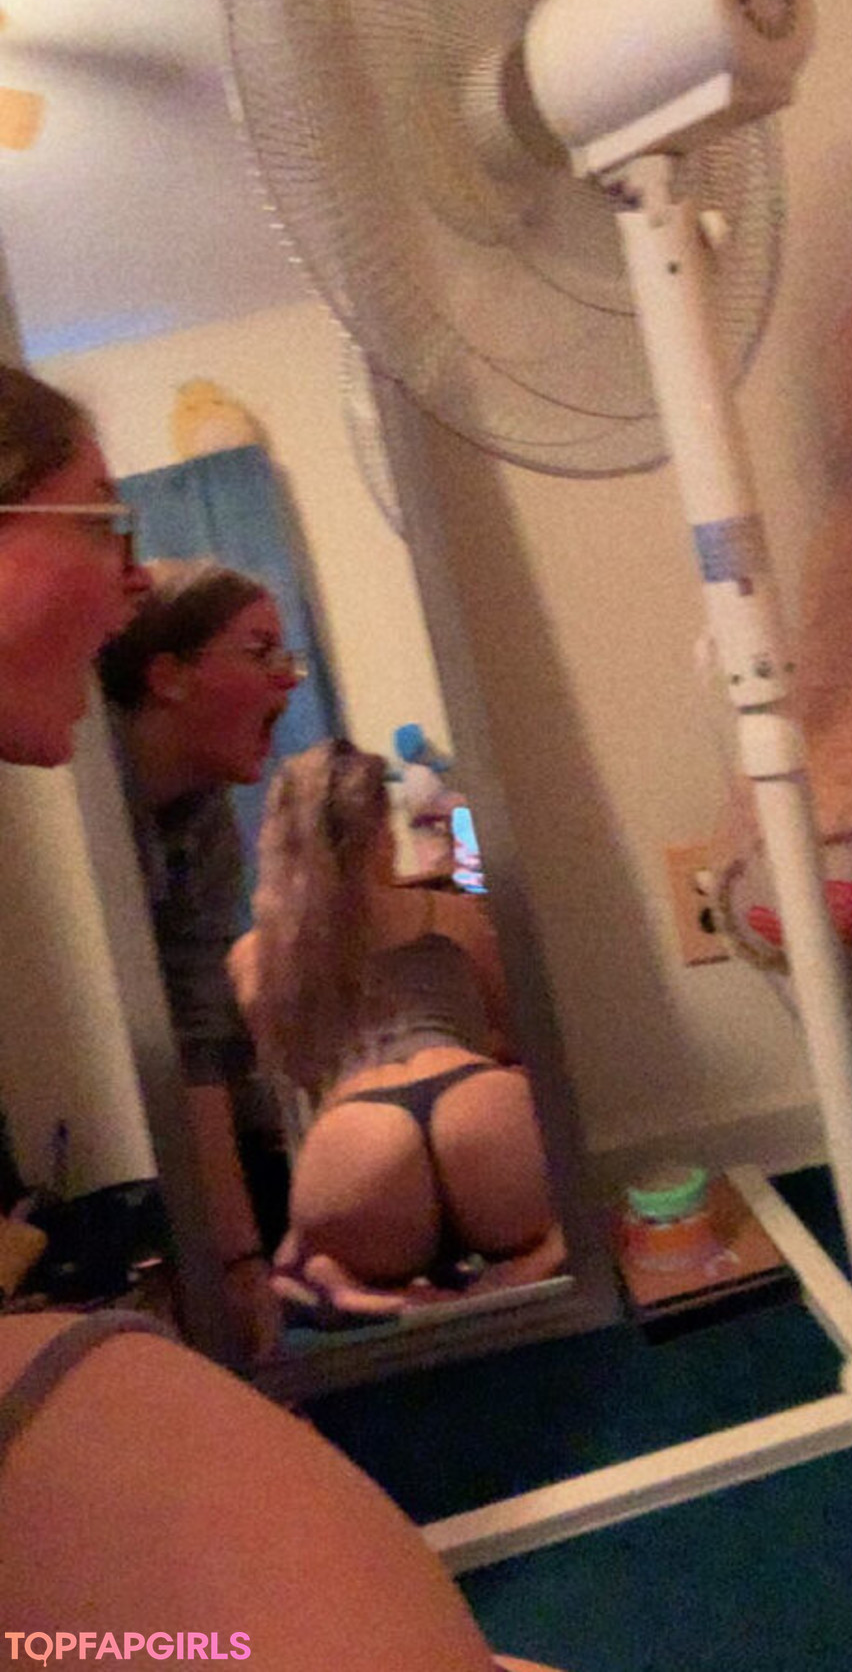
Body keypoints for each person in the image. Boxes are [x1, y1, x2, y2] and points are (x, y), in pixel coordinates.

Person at [0, 360, 564, 1672]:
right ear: (169, 678)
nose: (134, 574)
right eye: (104, 522)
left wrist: (256, 1264)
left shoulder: (230, 884)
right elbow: (496, 1008)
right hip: (475, 1110)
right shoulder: (439, 906)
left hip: (347, 1150)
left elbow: (245, 1051)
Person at [232, 739, 565, 1319]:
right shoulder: (452, 913)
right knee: (574, 1199)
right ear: (379, 832)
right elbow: (512, 1036)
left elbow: (295, 1077)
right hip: (476, 1103)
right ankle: (539, 1260)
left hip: (359, 1140)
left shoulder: (256, 956)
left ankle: (347, 1288)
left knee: (299, 1261)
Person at [97, 558, 305, 1354]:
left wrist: (238, 1266)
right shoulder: (86, 789)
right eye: (260, 652)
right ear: (167, 677)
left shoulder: (206, 814)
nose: (287, 680)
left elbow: (193, 1031)